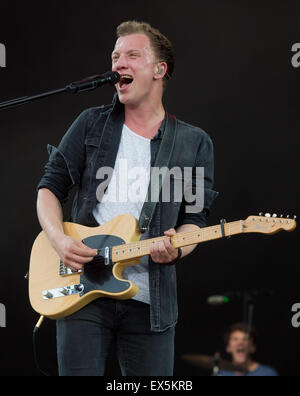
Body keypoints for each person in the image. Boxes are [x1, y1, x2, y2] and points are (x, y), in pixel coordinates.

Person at [36, 20, 218, 376]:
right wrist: (58, 240)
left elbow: (194, 219)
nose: (119, 63)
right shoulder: (91, 123)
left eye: (132, 55)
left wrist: (177, 247)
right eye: (115, 56)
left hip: (151, 302)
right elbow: (48, 188)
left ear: (159, 69)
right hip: (82, 289)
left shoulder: (193, 142)